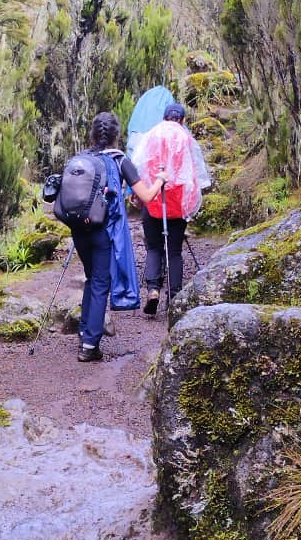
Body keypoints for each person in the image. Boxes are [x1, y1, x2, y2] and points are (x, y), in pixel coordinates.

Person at [72, 111, 167, 362]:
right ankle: (90, 346)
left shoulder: (82, 159)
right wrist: (160, 180)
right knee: (101, 282)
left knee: (92, 279)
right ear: (117, 135)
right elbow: (146, 196)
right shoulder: (120, 160)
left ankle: (84, 332)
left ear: (93, 134)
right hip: (103, 231)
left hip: (79, 230)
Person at [133, 102, 210, 315]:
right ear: (183, 120)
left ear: (164, 117)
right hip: (178, 204)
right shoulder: (186, 138)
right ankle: (174, 297)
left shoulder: (151, 135)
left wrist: (139, 195)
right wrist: (191, 204)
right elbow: (194, 174)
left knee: (154, 247)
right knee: (174, 251)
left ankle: (153, 291)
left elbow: (139, 166)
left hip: (154, 199)